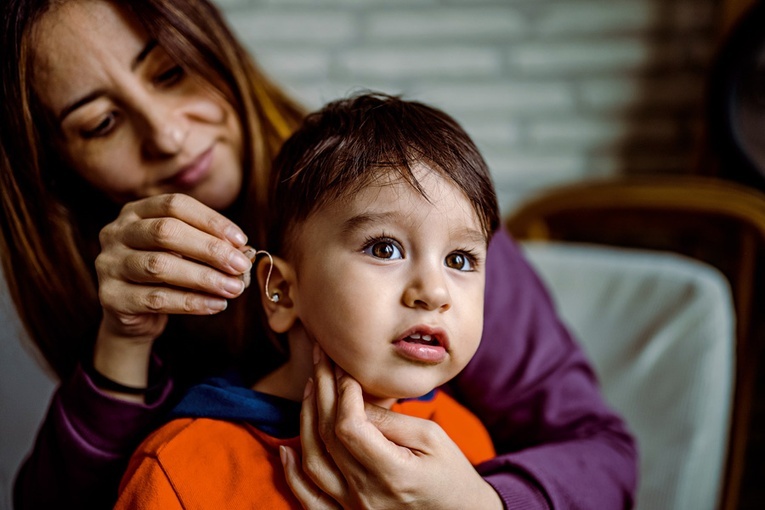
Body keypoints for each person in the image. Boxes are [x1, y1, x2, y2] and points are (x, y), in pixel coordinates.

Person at [1, 0, 637, 508]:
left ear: (218, 51)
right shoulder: (178, 458)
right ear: (57, 170)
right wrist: (121, 343)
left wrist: (486, 504)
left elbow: (601, 452)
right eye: (100, 124)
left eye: (170, 71)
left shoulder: (418, 200)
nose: (167, 134)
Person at [115, 92, 502, 509]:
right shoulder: (177, 472)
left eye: (459, 259)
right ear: (280, 292)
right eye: (384, 248)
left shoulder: (462, 449)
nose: (435, 292)